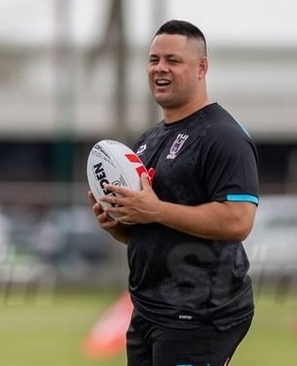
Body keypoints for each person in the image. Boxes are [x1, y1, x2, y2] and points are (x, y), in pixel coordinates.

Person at [88, 20, 259, 366]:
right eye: (153, 60)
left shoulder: (223, 137)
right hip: (149, 310)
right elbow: (153, 228)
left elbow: (239, 221)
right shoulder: (149, 139)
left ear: (202, 68)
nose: (160, 68)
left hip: (200, 314)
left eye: (173, 60)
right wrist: (120, 224)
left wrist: (154, 210)